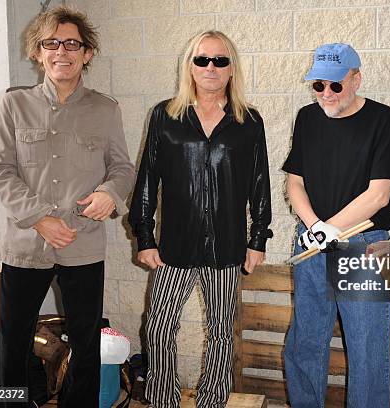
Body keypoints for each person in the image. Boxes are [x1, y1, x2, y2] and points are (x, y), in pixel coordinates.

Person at [0, 5, 135, 407]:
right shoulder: (14, 105)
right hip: (26, 244)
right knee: (12, 344)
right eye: (51, 43)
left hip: (82, 245)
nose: (60, 51)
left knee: (86, 343)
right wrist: (40, 219)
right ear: (37, 52)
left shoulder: (105, 109)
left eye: (71, 44)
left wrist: (109, 195)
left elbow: (122, 168)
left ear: (87, 54)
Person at [128, 30, 272, 407]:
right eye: (202, 59)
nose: (211, 67)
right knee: (158, 328)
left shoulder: (248, 121)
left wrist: (258, 239)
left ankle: (212, 401)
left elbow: (260, 184)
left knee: (222, 332)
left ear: (231, 68)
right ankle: (163, 399)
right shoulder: (166, 115)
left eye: (220, 60)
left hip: (227, 247)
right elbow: (147, 180)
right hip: (174, 246)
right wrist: (144, 236)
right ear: (189, 66)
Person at [281, 43, 390, 408]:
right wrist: (315, 227)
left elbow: (379, 195)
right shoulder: (307, 117)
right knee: (305, 340)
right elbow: (295, 182)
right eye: (318, 85)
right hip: (311, 240)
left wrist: (329, 229)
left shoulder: (383, 118)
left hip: (363, 245)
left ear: (356, 79)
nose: (325, 94)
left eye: (335, 85)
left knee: (367, 347)